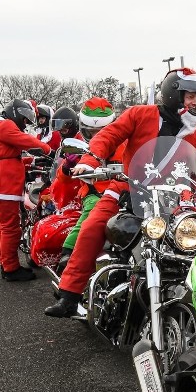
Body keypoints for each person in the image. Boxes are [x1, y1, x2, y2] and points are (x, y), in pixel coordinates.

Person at [45, 68, 196, 317]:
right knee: (91, 227)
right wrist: (90, 160)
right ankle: (69, 294)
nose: (195, 102)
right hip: (127, 187)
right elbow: (110, 135)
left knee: (191, 238)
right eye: (190, 96)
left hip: (168, 198)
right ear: (173, 94)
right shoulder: (140, 114)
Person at [0, 99, 52, 282]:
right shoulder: (4, 126)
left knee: (3, 228)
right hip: (2, 186)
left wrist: (31, 162)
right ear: (15, 113)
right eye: (25, 119)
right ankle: (11, 269)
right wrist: (47, 150)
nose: (26, 123)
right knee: (11, 228)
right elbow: (25, 140)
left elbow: (6, 155)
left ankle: (5, 264)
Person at [54, 96, 118, 271]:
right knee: (92, 214)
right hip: (94, 193)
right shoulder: (80, 147)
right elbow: (62, 179)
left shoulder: (124, 143)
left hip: (126, 192)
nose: (97, 137)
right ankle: (69, 254)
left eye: (103, 131)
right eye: (91, 132)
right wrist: (67, 166)